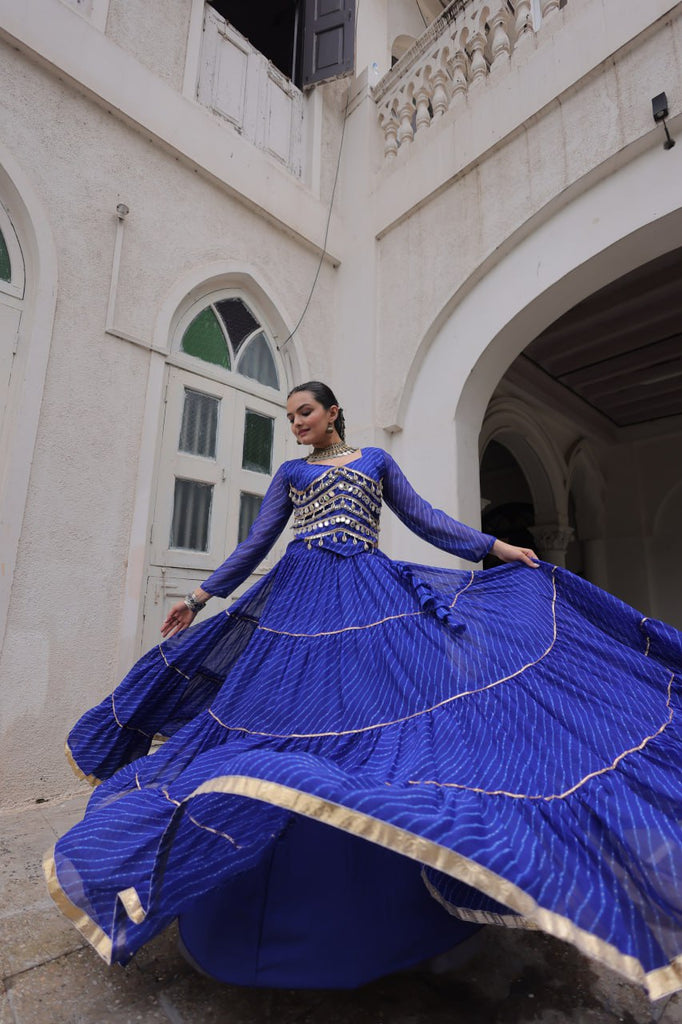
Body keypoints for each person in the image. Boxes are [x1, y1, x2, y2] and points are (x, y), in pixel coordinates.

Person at [45, 382, 682, 999]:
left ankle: (378, 876)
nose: (296, 423)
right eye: (290, 416)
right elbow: (257, 542)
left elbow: (426, 519)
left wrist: (497, 548)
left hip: (369, 597)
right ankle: (257, 869)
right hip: (299, 601)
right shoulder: (292, 474)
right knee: (283, 717)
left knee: (375, 721)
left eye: (304, 412)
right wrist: (199, 596)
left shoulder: (375, 461)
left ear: (332, 413)